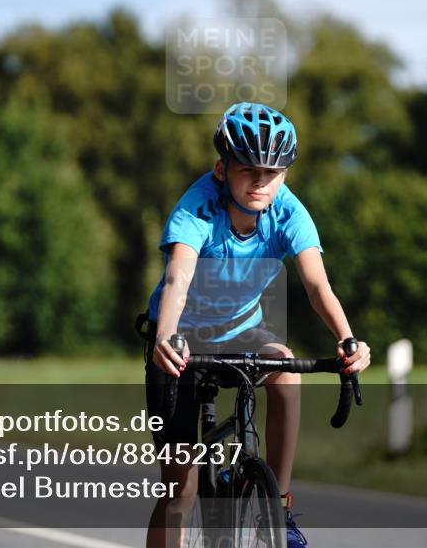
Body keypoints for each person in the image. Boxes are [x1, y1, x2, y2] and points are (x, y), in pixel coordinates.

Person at [140, 102, 371, 548]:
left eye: (273, 172)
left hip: (242, 330)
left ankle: (278, 507)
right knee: (180, 490)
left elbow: (317, 285)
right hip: (181, 339)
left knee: (285, 368)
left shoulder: (289, 212)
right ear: (222, 169)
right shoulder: (198, 208)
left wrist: (348, 339)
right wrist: (165, 337)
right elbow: (177, 279)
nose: (261, 182)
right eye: (249, 170)